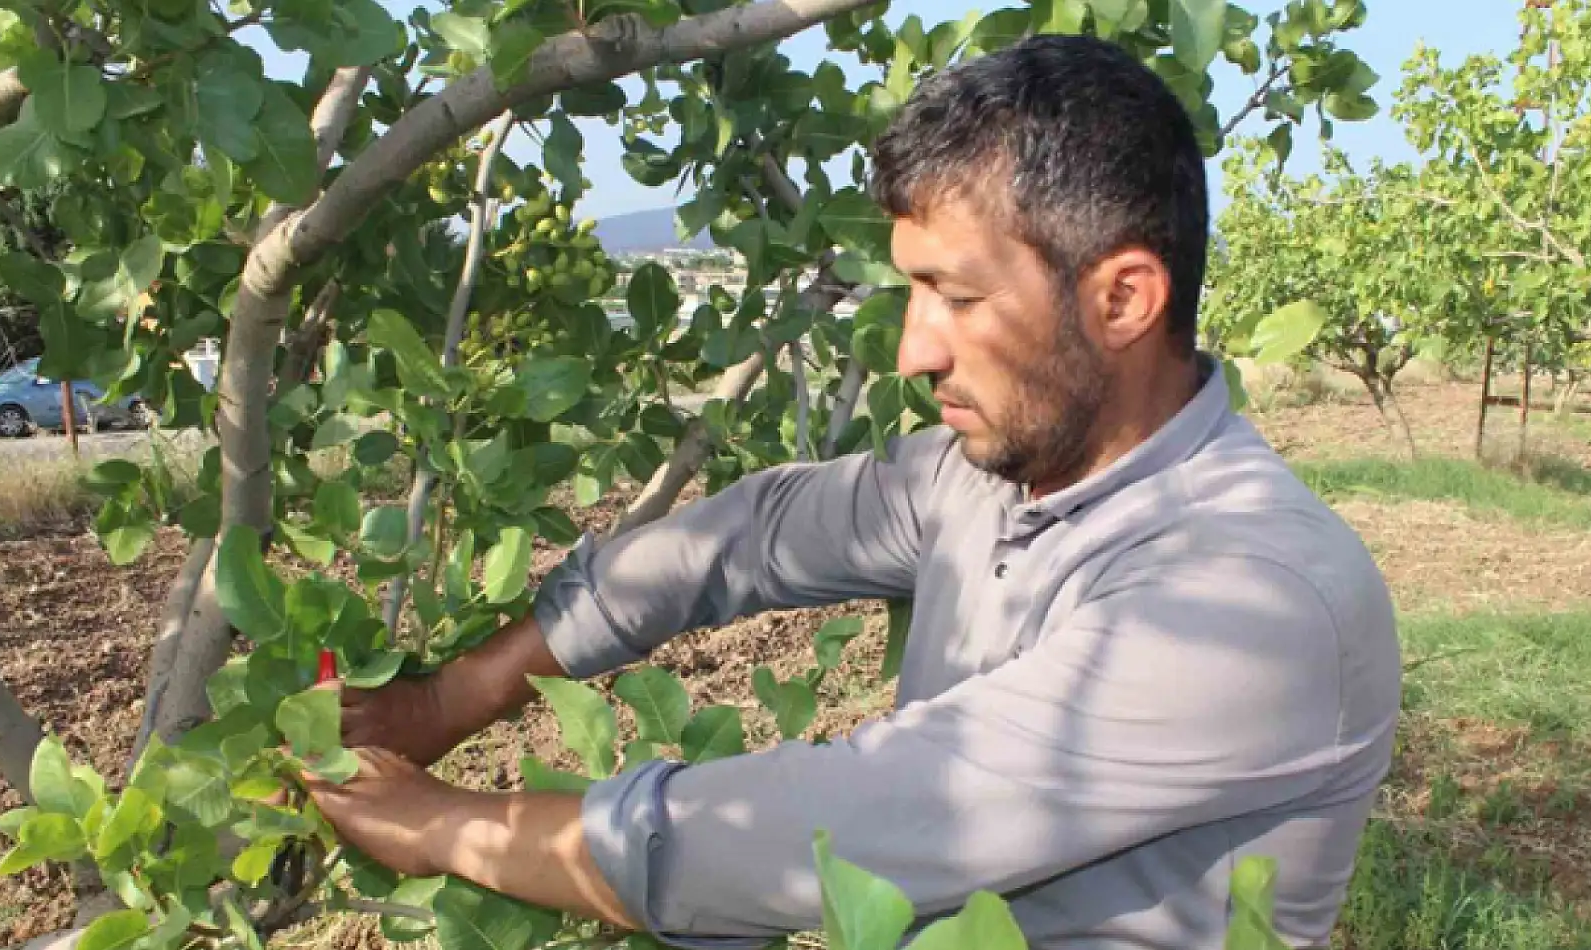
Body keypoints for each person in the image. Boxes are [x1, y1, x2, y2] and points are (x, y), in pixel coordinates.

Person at [302, 33, 1401, 950]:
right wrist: (448, 700)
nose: (914, 349)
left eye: (954, 295)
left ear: (1120, 299)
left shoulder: (1252, 605)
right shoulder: (992, 475)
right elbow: (744, 537)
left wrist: (443, 824)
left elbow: (837, 827)